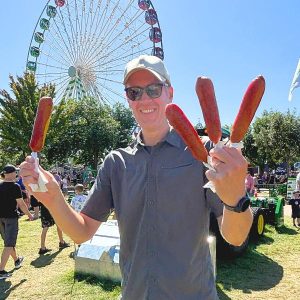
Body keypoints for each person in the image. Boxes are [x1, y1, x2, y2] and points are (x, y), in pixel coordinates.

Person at [20, 55, 253, 299]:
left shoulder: (204, 153)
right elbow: (82, 232)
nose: (144, 99)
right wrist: (54, 198)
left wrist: (236, 197)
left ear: (170, 93)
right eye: (134, 92)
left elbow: (235, 237)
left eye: (154, 89)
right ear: (128, 99)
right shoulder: (115, 163)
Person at [0, 164, 33, 280]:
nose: (16, 174)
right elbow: (21, 204)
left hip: (1, 218)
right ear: (10, 173)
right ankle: (1, 271)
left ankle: (16, 260)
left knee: (8, 242)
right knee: (9, 244)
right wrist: (30, 215)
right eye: (15, 172)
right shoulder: (15, 186)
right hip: (11, 218)